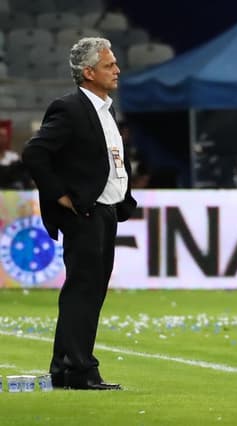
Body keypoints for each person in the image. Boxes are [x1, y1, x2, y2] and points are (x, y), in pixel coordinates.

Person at [22, 37, 137, 390]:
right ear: (88, 73)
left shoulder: (106, 108)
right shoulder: (69, 108)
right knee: (83, 291)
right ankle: (78, 368)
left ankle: (68, 368)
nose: (117, 69)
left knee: (91, 291)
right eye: (109, 65)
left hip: (105, 212)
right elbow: (34, 153)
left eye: (115, 63)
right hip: (85, 213)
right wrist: (60, 196)